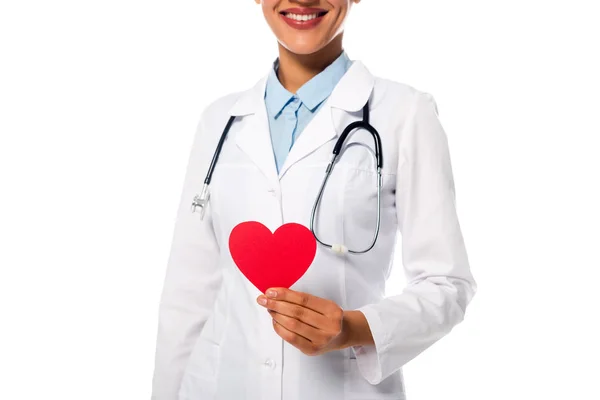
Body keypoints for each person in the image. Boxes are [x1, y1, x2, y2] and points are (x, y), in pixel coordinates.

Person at [151, 1, 477, 399]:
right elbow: (187, 296)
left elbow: (448, 284)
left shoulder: (405, 115)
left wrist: (353, 328)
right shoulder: (220, 121)